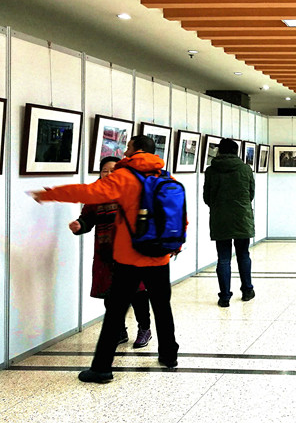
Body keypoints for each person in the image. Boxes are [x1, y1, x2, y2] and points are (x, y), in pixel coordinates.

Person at [31, 135, 180, 383]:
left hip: (129, 258)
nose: (124, 151)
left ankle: (101, 369)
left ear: (136, 150)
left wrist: (51, 194)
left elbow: (89, 192)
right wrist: (175, 246)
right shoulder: (165, 177)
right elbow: (177, 215)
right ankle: (169, 355)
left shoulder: (125, 176)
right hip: (159, 257)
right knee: (163, 307)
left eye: (128, 147)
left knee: (115, 313)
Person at [70, 156, 152, 349]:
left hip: (131, 252)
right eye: (104, 171)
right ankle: (119, 330)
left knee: (137, 293)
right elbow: (87, 218)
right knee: (110, 294)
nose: (108, 174)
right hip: (106, 253)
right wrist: (79, 225)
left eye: (113, 170)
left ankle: (144, 328)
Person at [203, 138, 256, 307]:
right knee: (243, 254)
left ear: (220, 151)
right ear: (236, 151)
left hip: (220, 219)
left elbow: (207, 197)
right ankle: (247, 290)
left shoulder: (211, 171)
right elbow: (251, 194)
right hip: (242, 218)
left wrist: (219, 206)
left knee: (223, 258)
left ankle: (224, 297)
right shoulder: (245, 169)